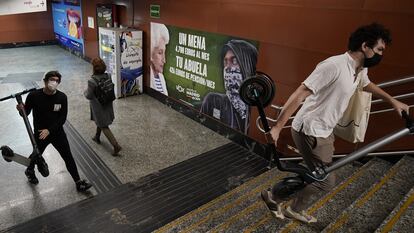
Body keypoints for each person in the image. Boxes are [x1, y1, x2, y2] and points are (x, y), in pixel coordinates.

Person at [261, 23, 410, 223]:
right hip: (312, 130)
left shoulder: (359, 68)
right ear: (365, 46)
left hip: (324, 129)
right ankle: (279, 199)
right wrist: (278, 127)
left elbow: (365, 84)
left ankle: (282, 200)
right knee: (325, 180)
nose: (381, 55)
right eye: (380, 50)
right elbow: (300, 94)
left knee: (316, 171)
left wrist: (392, 101)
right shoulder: (334, 65)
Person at [17, 71, 92, 192]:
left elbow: (62, 118)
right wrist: (21, 110)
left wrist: (50, 130)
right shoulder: (34, 96)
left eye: (57, 81)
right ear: (45, 81)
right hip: (40, 133)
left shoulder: (62, 97)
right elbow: (25, 114)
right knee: (36, 156)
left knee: (68, 157)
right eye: (52, 79)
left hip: (57, 132)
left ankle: (78, 182)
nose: (54, 82)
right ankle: (29, 171)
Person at [200, 39, 258, 134]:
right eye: (225, 62)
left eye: (234, 61)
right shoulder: (213, 101)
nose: (228, 67)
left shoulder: (257, 111)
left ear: (248, 65)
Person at [84, 58, 122, 156]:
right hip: (107, 103)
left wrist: (85, 92)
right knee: (100, 121)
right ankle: (97, 137)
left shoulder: (92, 81)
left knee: (103, 125)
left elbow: (89, 95)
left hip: (98, 106)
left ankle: (116, 145)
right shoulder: (108, 75)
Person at [150, 23, 170, 96]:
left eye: (164, 52)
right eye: (160, 53)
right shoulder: (146, 79)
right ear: (150, 53)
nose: (164, 60)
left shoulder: (161, 77)